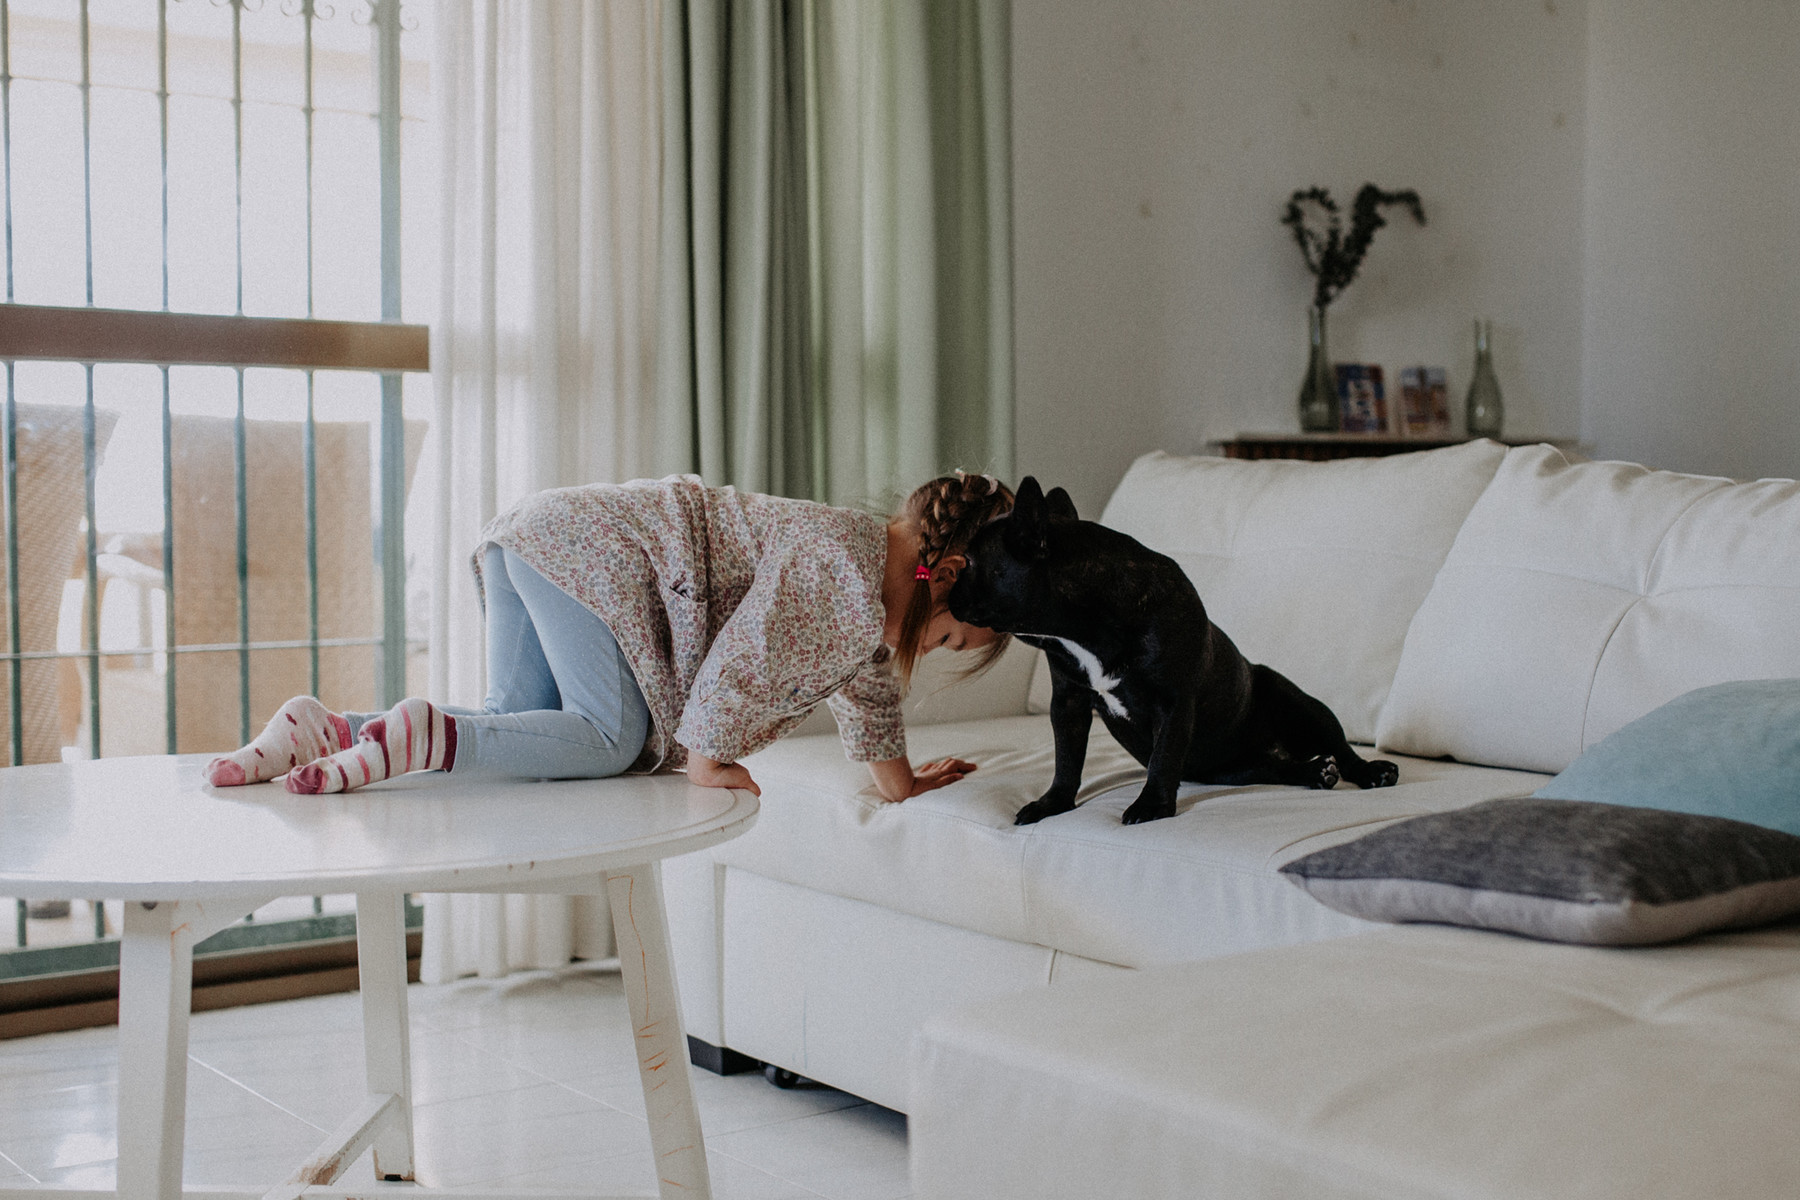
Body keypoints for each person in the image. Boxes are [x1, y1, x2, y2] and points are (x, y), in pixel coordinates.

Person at [204, 470, 1015, 801]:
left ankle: (329, 730)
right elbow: (746, 660)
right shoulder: (844, 576)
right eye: (949, 640)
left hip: (542, 535)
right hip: (598, 552)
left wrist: (900, 783)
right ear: (942, 578)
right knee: (607, 740)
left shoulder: (861, 577)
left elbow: (866, 687)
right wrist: (710, 759)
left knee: (522, 727)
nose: (930, 652)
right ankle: (429, 733)